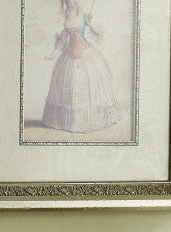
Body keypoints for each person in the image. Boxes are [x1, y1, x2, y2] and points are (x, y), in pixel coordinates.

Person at [42, 0, 122, 134]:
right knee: (70, 87)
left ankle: (87, 121)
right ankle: (71, 122)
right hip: (69, 54)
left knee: (86, 88)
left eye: (71, 0)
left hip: (85, 53)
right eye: (67, 1)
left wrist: (90, 23)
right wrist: (53, 54)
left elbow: (97, 33)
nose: (69, 2)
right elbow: (63, 38)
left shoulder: (84, 15)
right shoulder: (67, 15)